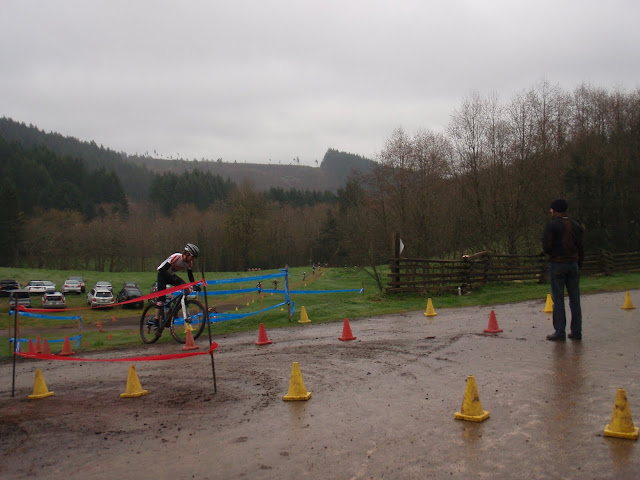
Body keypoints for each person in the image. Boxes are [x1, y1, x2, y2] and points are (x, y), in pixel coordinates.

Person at [542, 199, 584, 341]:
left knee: (558, 299)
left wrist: (553, 254)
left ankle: (560, 332)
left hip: (558, 264)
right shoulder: (576, 226)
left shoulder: (551, 225)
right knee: (575, 299)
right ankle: (576, 331)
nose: (550, 211)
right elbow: (581, 247)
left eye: (551, 209)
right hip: (573, 264)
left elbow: (546, 246)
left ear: (555, 210)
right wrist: (578, 264)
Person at [154, 243, 200, 332]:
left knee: (186, 288)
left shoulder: (189, 263)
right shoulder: (176, 257)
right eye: (192, 257)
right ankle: (156, 322)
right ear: (187, 253)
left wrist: (194, 285)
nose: (193, 259)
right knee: (161, 300)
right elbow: (162, 270)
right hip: (162, 275)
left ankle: (171, 311)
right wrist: (171, 278)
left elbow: (190, 276)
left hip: (171, 275)